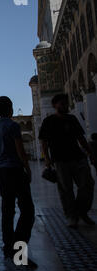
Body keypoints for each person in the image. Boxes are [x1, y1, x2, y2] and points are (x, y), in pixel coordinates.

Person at [0, 96, 36, 269]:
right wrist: (28, 168)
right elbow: (20, 150)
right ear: (10, 108)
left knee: (7, 209)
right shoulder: (13, 125)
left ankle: (8, 247)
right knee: (27, 211)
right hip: (15, 169)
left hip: (2, 170)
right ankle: (18, 252)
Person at [39, 94, 96, 228]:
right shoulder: (48, 121)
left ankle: (81, 211)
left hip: (78, 157)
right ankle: (72, 216)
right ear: (55, 105)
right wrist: (46, 159)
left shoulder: (72, 118)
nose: (65, 106)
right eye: (62, 104)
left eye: (66, 103)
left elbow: (80, 138)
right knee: (66, 190)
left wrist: (90, 153)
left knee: (87, 184)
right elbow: (43, 142)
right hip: (60, 160)